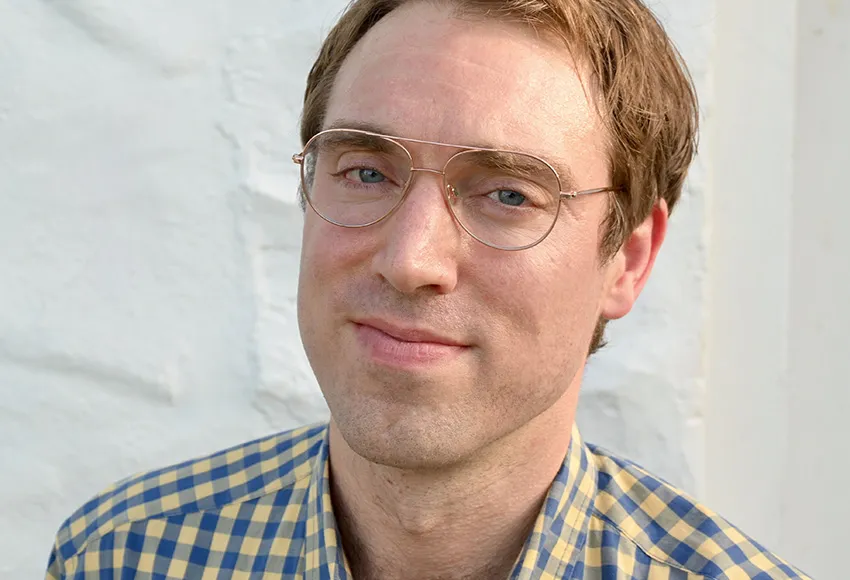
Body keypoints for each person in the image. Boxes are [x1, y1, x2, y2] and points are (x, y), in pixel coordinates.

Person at [45, 0, 810, 578]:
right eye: (365, 172)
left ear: (628, 261)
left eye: (508, 194)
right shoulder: (122, 557)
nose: (411, 260)